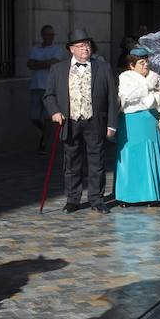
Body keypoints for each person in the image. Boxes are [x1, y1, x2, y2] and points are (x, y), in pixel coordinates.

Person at [45, 28, 119, 213]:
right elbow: (49, 96)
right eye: (80, 46)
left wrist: (112, 123)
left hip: (95, 121)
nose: (85, 49)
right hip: (70, 121)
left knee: (97, 162)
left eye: (87, 45)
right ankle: (73, 199)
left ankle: (96, 199)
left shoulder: (103, 67)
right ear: (71, 49)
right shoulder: (58, 69)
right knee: (72, 162)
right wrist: (54, 112)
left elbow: (112, 96)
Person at [114, 47, 160, 206]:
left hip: (151, 119)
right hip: (131, 120)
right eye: (141, 63)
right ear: (132, 65)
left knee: (152, 154)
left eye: (146, 62)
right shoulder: (125, 77)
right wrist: (148, 87)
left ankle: (152, 195)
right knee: (131, 156)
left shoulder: (156, 76)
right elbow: (126, 95)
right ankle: (128, 196)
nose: (145, 65)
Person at [26, 25, 65, 151]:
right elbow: (30, 64)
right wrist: (44, 64)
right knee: (34, 117)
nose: (50, 37)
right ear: (42, 36)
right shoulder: (35, 49)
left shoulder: (57, 49)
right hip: (36, 86)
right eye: (48, 35)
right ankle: (45, 133)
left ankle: (43, 143)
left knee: (48, 118)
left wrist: (38, 63)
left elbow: (54, 63)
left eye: (52, 35)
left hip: (49, 88)